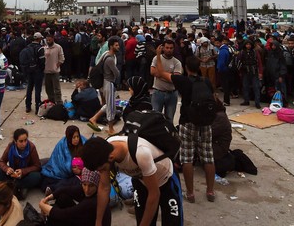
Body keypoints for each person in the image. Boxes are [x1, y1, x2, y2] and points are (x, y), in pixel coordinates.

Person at [153, 51, 219, 203]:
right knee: (208, 158)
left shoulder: (182, 81)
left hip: (188, 122)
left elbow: (161, 73)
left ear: (186, 67)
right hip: (205, 124)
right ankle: (210, 191)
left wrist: (158, 55)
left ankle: (190, 193)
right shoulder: (206, 81)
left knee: (187, 158)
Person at [81, 136, 183, 226]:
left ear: (111, 158)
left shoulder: (141, 153)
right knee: (143, 220)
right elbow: (104, 188)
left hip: (166, 180)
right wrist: (98, 221)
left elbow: (154, 194)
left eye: (102, 169)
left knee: (171, 222)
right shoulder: (104, 151)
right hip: (141, 182)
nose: (102, 172)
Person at [39, 167, 110, 226]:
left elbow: (63, 214)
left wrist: (43, 205)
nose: (87, 190)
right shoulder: (93, 191)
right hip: (88, 219)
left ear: (97, 185)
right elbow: (65, 189)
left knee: (54, 218)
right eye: (84, 184)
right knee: (63, 197)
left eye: (91, 186)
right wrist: (48, 198)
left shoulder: (92, 202)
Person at [0, 128, 42, 198]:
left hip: (26, 175)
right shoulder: (11, 147)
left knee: (37, 176)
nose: (24, 144)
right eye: (21, 141)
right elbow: (2, 161)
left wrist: (23, 171)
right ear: (15, 141)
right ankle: (20, 186)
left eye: (25, 140)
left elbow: (37, 166)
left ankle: (14, 186)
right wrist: (7, 169)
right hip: (13, 174)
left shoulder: (31, 147)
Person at [88, 36, 121, 134]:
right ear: (111, 46)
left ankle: (94, 118)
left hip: (104, 82)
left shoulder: (105, 54)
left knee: (110, 104)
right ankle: (111, 128)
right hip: (109, 83)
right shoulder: (110, 59)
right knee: (111, 106)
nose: (118, 47)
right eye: (116, 45)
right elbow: (117, 73)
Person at [41, 126, 87, 192]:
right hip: (62, 172)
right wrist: (72, 169)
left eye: (77, 136)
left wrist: (81, 170)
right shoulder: (62, 144)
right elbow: (60, 163)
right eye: (73, 137)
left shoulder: (83, 143)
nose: (76, 139)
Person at [150, 39, 182, 123]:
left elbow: (176, 79)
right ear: (163, 48)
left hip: (172, 94)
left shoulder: (177, 62)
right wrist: (169, 75)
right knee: (155, 118)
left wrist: (160, 74)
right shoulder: (156, 58)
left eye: (171, 48)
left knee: (169, 119)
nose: (169, 50)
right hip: (158, 92)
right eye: (167, 47)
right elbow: (152, 72)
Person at [238, 40, 263, 108]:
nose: (248, 46)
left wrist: (260, 72)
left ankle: (257, 102)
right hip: (245, 72)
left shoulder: (255, 52)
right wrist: (240, 72)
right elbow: (239, 62)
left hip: (254, 72)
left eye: (249, 44)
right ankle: (246, 100)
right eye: (247, 44)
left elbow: (259, 62)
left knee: (256, 87)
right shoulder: (242, 52)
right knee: (245, 87)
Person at [43, 33, 65, 104]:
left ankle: (59, 102)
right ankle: (51, 101)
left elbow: (62, 59)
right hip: (46, 71)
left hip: (55, 71)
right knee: (48, 88)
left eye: (49, 40)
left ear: (53, 39)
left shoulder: (58, 47)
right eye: (47, 40)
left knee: (57, 88)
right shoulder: (44, 48)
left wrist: (57, 65)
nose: (48, 41)